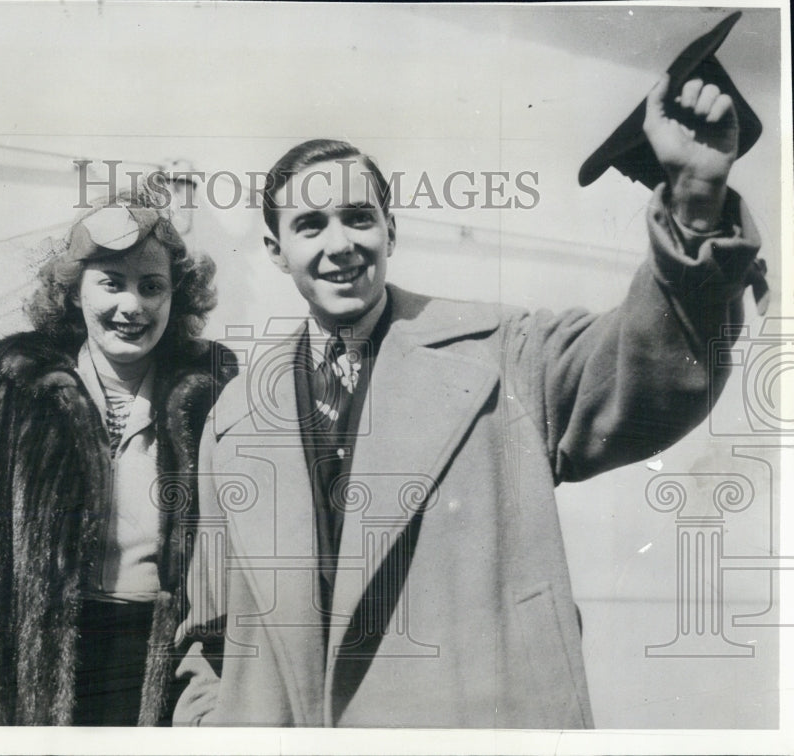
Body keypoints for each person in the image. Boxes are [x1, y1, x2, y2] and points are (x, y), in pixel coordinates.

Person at [172, 71, 766, 728]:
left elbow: (649, 378)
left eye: (358, 218)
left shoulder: (503, 353)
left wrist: (696, 202)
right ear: (276, 251)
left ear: (390, 232)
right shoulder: (233, 419)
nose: (339, 244)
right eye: (310, 225)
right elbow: (210, 627)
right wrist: (204, 722)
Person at [0, 175, 237, 726]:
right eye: (111, 283)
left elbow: (251, 575)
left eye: (152, 286)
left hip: (161, 684)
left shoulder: (220, 413)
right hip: (22, 684)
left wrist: (221, 676)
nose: (133, 305)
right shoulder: (0, 410)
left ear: (177, 295)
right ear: (75, 291)